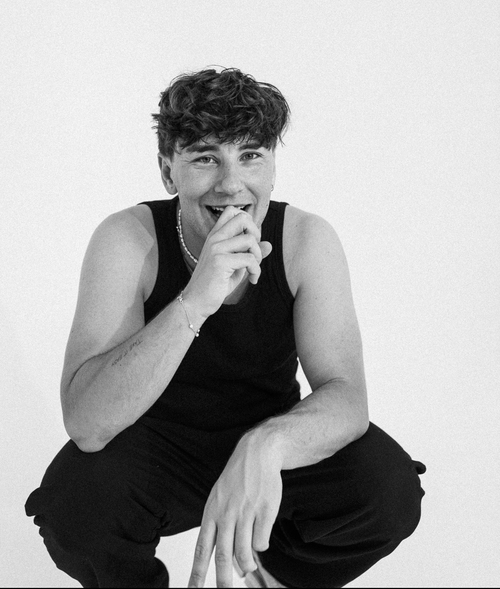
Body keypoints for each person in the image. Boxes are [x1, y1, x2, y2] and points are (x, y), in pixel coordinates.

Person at [25, 67, 426, 588]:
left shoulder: (306, 240)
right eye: (205, 158)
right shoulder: (127, 240)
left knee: (388, 488)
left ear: (273, 167)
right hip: (155, 448)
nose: (232, 183)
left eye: (251, 155)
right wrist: (196, 300)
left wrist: (266, 446)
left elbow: (348, 399)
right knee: (74, 506)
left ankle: (268, 580)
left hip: (270, 442)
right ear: (168, 172)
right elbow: (86, 422)